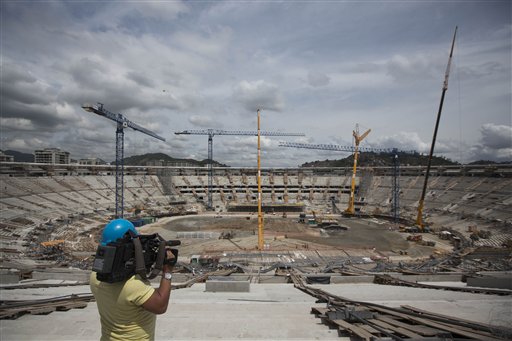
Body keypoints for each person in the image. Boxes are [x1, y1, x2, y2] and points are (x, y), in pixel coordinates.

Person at [90, 219, 176, 341]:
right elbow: (160, 306)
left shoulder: (95, 276)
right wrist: (167, 271)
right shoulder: (133, 286)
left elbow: (125, 296)